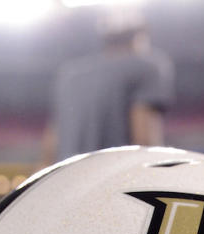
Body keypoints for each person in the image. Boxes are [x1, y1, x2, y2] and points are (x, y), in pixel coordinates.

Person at [41, 8, 174, 164]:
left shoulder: (69, 74)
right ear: (139, 36)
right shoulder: (147, 66)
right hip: (115, 181)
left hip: (66, 181)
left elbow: (50, 144)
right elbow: (145, 140)